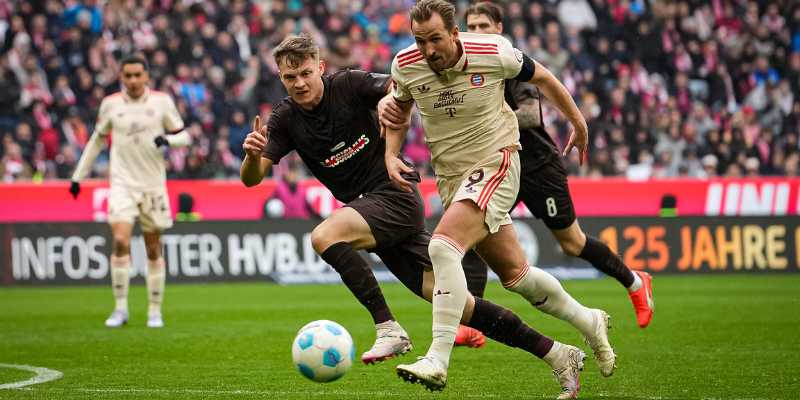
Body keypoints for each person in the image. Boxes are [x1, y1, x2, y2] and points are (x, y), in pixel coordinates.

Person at [240, 36, 585, 392]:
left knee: (324, 236)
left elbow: (394, 87)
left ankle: (388, 328)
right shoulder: (284, 118)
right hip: (369, 212)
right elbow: (253, 179)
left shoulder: (348, 84)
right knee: (464, 307)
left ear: (320, 68)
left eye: (305, 73)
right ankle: (558, 354)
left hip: (395, 194)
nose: (299, 83)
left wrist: (390, 98)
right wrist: (252, 157)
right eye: (289, 77)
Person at [381, 1, 614, 397]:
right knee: (517, 277)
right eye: (421, 41)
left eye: (436, 39)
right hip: (453, 178)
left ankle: (437, 358)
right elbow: (398, 110)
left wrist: (577, 121)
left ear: (454, 34)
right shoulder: (405, 64)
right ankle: (585, 326)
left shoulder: (492, 52)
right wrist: (390, 154)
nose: (429, 49)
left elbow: (544, 77)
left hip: (498, 161)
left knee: (442, 247)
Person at [438, 2, 655, 332]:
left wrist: (492, 118)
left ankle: (635, 281)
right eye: (472, 27)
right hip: (498, 167)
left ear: (499, 29)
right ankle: (470, 324)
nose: (477, 32)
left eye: (484, 26)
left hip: (537, 166)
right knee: (468, 232)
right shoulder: (465, 68)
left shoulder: (507, 61)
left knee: (572, 243)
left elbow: (530, 114)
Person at [70, 55, 191, 328]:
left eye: (138, 75)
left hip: (152, 186)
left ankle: (154, 311)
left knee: (152, 248)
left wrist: (168, 140)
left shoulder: (161, 102)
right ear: (121, 77)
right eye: (128, 76)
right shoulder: (111, 105)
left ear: (147, 76)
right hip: (122, 185)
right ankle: (120, 308)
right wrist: (78, 176)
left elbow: (186, 136)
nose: (134, 80)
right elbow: (96, 140)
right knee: (121, 240)